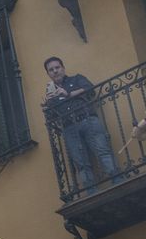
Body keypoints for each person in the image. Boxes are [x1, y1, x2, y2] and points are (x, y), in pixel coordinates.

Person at [42, 56, 118, 190]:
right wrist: (47, 106)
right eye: (51, 70)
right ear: (48, 74)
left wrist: (68, 94)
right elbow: (53, 117)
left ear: (63, 68)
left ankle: (117, 179)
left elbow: (89, 89)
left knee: (102, 151)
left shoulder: (76, 79)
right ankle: (91, 190)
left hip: (87, 120)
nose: (55, 71)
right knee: (80, 162)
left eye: (57, 67)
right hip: (69, 128)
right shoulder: (51, 94)